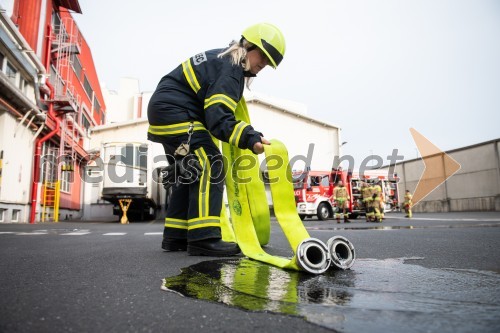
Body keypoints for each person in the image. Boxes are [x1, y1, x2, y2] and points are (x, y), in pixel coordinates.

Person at [147, 23, 286, 256]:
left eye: (269, 62)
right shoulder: (231, 69)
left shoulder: (223, 61)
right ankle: (204, 238)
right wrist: (250, 138)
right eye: (262, 55)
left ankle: (176, 236)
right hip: (177, 112)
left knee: (190, 172)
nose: (264, 64)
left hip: (165, 110)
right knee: (212, 164)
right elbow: (218, 117)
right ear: (247, 45)